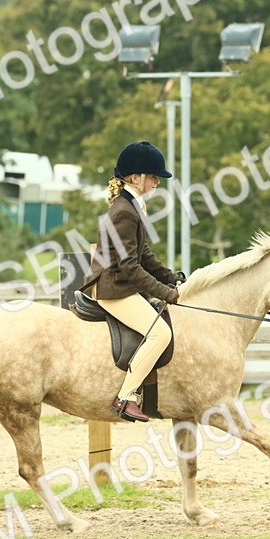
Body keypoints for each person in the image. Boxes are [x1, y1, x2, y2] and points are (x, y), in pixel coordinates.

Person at [83, 140, 184, 422]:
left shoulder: (131, 205)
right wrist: (166, 293)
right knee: (160, 333)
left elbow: (144, 253)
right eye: (153, 176)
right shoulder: (124, 211)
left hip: (121, 282)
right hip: (113, 287)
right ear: (134, 177)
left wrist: (170, 277)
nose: (157, 182)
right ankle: (125, 397)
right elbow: (130, 266)